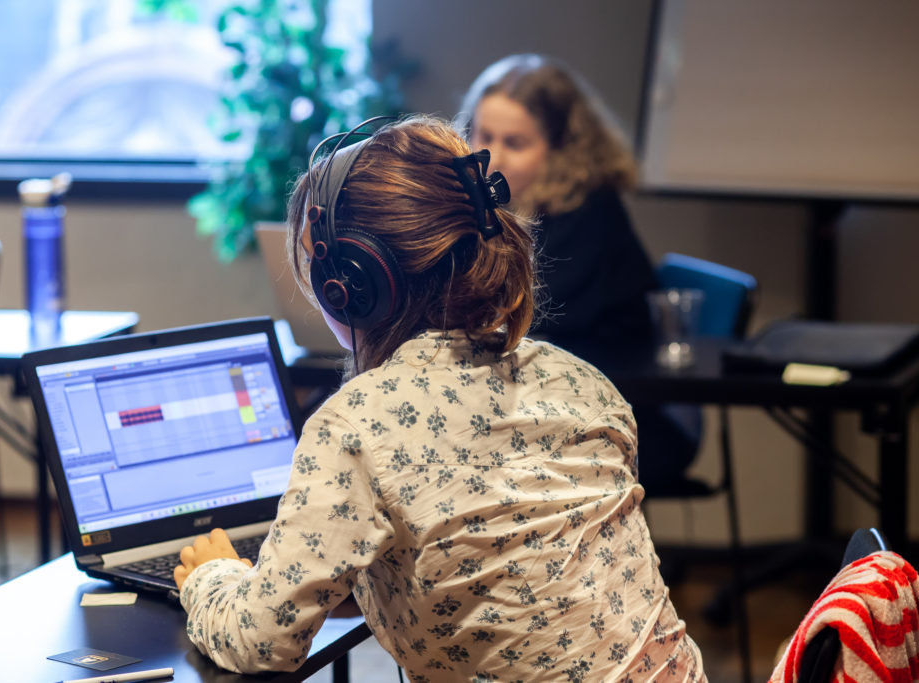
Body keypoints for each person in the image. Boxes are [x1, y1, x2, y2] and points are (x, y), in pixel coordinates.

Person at [173, 115, 705, 681]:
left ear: (349, 286)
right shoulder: (583, 383)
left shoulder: (354, 427)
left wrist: (212, 576)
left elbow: (262, 642)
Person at [458, 53, 700, 490]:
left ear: (561, 150)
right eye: (484, 135)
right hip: (542, 404)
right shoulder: (493, 206)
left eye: (515, 143)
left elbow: (527, 324)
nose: (493, 157)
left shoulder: (590, 211)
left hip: (627, 412)